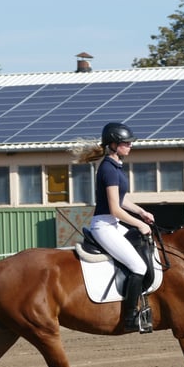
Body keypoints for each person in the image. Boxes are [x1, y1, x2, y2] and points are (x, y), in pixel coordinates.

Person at [70, 122, 156, 332]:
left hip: (113, 224)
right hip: (105, 226)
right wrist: (138, 224)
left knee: (147, 250)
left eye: (129, 143)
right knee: (139, 267)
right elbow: (114, 209)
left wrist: (141, 212)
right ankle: (129, 318)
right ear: (113, 145)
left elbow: (121, 200)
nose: (130, 146)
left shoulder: (116, 166)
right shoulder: (108, 168)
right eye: (126, 143)